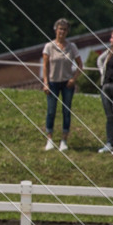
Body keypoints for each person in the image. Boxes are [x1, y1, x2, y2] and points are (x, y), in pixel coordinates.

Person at [41, 18, 83, 151]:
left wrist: (74, 79)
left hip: (67, 83)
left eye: (64, 29)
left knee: (66, 110)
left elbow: (80, 65)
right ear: (56, 30)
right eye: (60, 29)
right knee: (51, 110)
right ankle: (49, 138)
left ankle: (64, 139)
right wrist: (45, 83)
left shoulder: (72, 47)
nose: (62, 32)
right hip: (53, 82)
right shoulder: (49, 46)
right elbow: (45, 66)